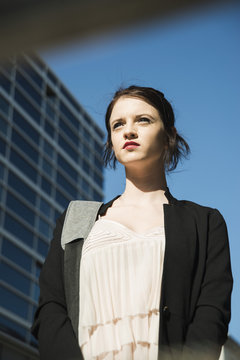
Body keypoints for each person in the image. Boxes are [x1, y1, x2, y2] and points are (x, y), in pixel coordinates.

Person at [31, 85, 233, 360]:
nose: (128, 130)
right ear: (111, 143)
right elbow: (51, 310)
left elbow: (211, 314)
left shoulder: (206, 223)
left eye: (143, 120)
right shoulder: (76, 218)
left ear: (169, 135)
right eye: (118, 125)